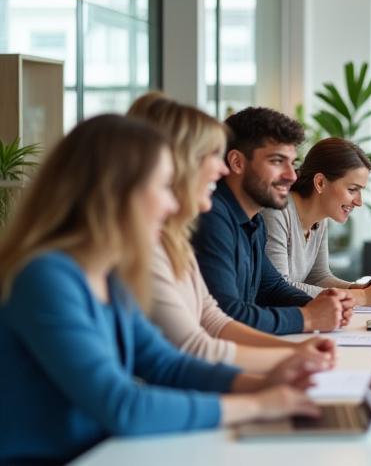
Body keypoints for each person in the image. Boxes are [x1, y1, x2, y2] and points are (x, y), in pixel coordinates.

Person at [0, 115, 327, 465]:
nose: (172, 205)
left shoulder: (109, 276)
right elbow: (124, 406)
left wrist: (261, 383)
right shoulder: (45, 278)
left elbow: (166, 365)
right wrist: (258, 405)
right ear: (117, 193)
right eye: (162, 188)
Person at [129, 93, 338, 373]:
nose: (220, 167)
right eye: (209, 156)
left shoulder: (173, 240)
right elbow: (198, 344)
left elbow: (214, 319)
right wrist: (306, 324)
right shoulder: (205, 221)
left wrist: (301, 343)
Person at [193, 107, 353, 335]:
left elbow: (272, 287)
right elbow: (228, 314)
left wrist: (321, 304)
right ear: (237, 162)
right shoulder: (212, 218)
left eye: (292, 162)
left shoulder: (253, 220)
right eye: (277, 161)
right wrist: (308, 317)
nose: (292, 175)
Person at [263, 137, 371, 306]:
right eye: (352, 190)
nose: (359, 202)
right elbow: (280, 289)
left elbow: (318, 277)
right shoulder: (276, 212)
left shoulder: (320, 218)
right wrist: (363, 297)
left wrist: (359, 289)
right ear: (320, 182)